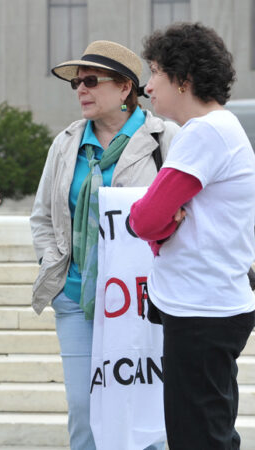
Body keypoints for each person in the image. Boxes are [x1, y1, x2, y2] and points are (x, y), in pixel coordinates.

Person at [30, 40, 179, 450]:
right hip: (78, 298)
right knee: (84, 410)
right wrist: (52, 265)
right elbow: (42, 215)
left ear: (125, 88)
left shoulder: (166, 139)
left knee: (145, 408)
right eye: (76, 83)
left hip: (144, 302)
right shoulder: (65, 143)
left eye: (91, 81)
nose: (81, 89)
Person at [129, 22, 255, 449]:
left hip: (201, 311)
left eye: (155, 73)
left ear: (182, 79)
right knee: (210, 432)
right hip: (212, 307)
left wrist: (158, 228)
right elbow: (160, 219)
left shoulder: (204, 133)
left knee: (198, 439)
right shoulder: (221, 128)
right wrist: (165, 225)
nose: (147, 87)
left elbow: (143, 218)